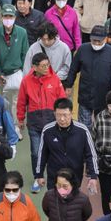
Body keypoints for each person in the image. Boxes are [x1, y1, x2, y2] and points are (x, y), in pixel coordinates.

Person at [17, 51, 66, 192]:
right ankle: (38, 177)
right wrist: (20, 118)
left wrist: (62, 117)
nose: (46, 68)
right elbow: (21, 102)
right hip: (34, 123)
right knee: (35, 153)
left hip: (52, 123)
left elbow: (62, 100)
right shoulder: (26, 81)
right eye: (43, 66)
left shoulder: (55, 79)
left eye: (47, 65)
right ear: (34, 67)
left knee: (54, 151)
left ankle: (56, 178)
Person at [35, 97, 99, 192]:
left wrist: (93, 176)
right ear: (54, 114)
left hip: (74, 178)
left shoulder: (82, 130)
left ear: (71, 113)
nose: (61, 119)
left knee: (73, 206)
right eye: (58, 115)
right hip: (54, 179)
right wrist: (39, 174)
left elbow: (91, 154)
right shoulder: (47, 130)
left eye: (65, 115)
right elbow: (42, 154)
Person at [69, 25, 111, 128]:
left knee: (102, 126)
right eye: (94, 40)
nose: (97, 43)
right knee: (84, 127)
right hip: (85, 95)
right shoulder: (82, 50)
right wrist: (69, 85)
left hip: (103, 97)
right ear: (90, 38)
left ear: (105, 39)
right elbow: (73, 69)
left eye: (99, 41)